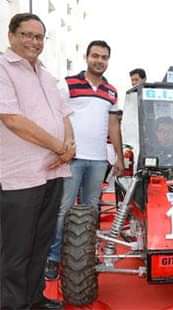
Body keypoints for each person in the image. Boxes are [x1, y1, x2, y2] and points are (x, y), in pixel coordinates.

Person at [0, 13, 75, 309]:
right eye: (27, 35)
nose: (33, 41)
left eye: (39, 36)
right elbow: (12, 119)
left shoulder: (47, 74)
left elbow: (64, 115)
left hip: (53, 173)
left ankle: (33, 300)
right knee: (15, 250)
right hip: (20, 176)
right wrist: (59, 146)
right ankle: (11, 304)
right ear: (11, 36)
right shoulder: (3, 68)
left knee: (40, 243)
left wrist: (69, 145)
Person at [45, 40, 124, 280]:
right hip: (73, 157)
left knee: (91, 210)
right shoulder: (69, 84)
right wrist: (61, 148)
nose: (99, 60)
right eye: (95, 56)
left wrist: (119, 157)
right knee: (63, 210)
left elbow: (113, 125)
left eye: (104, 57)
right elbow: (54, 115)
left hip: (99, 160)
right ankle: (54, 257)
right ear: (86, 57)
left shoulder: (112, 91)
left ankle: (86, 254)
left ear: (108, 60)